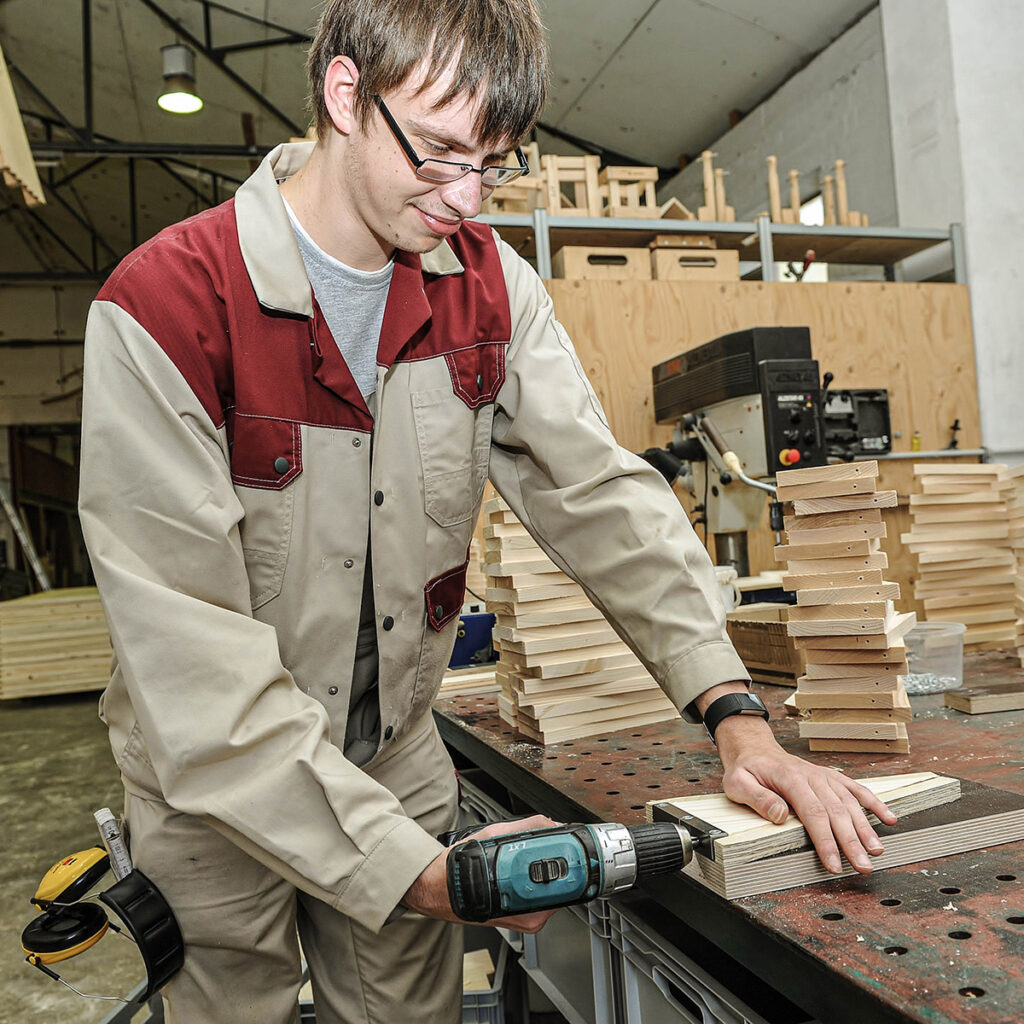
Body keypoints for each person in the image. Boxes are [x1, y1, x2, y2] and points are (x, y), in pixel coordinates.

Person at [78, 1, 897, 1021]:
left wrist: (735, 714)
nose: (465, 198)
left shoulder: (489, 289)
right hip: (214, 796)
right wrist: (424, 877)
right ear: (345, 94)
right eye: (439, 153)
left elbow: (597, 497)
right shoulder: (165, 307)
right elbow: (190, 666)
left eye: (496, 162)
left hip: (396, 761)